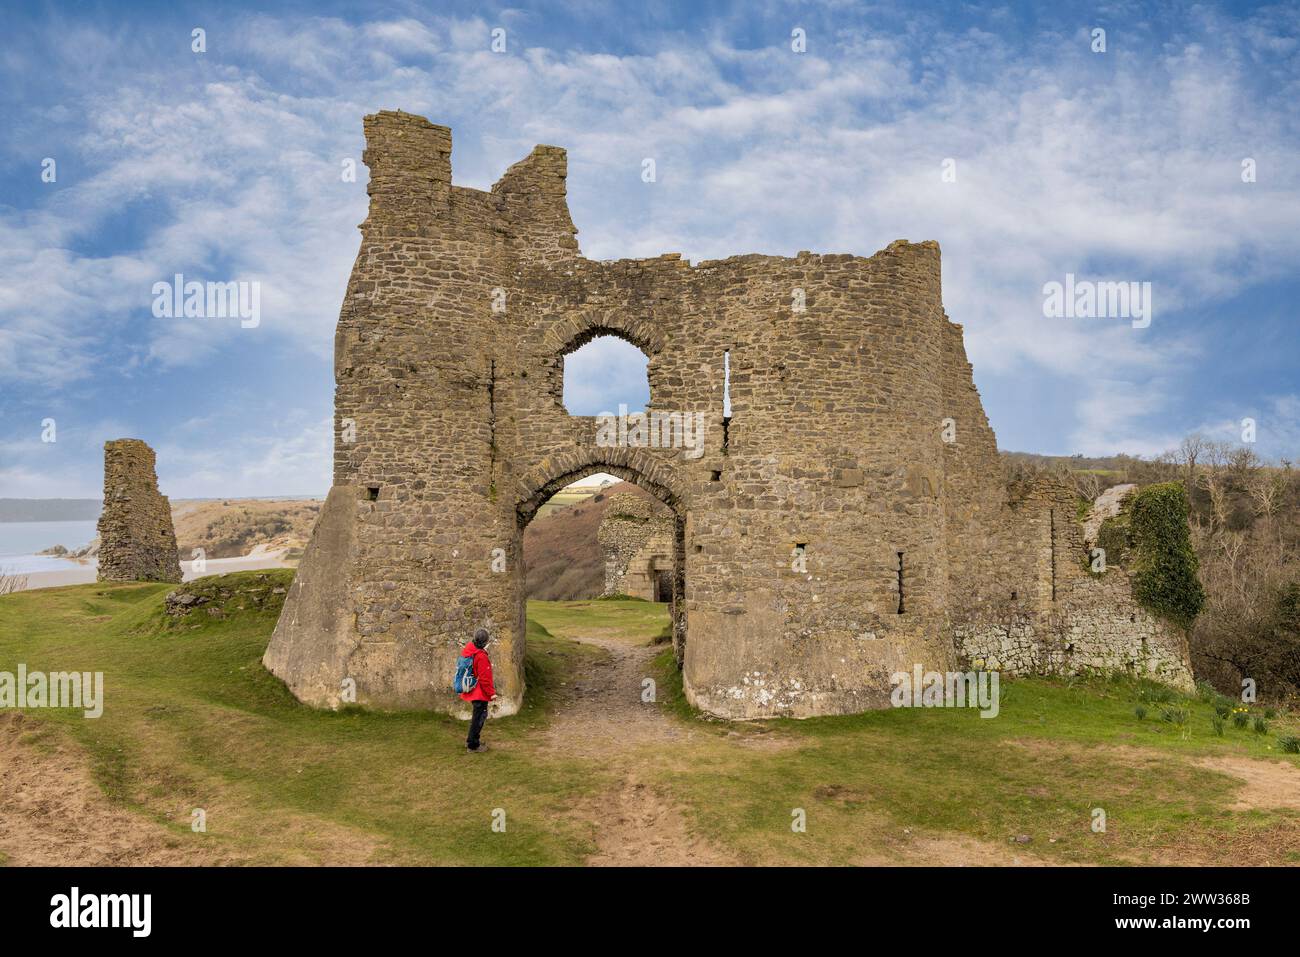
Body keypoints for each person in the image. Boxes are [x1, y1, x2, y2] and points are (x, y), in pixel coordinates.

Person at [459, 627, 496, 753]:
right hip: (479, 693)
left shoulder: (469, 649)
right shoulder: (481, 656)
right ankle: (473, 745)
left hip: (472, 690)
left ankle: (471, 741)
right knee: (479, 718)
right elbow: (485, 678)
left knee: (476, 717)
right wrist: (492, 694)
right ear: (485, 642)